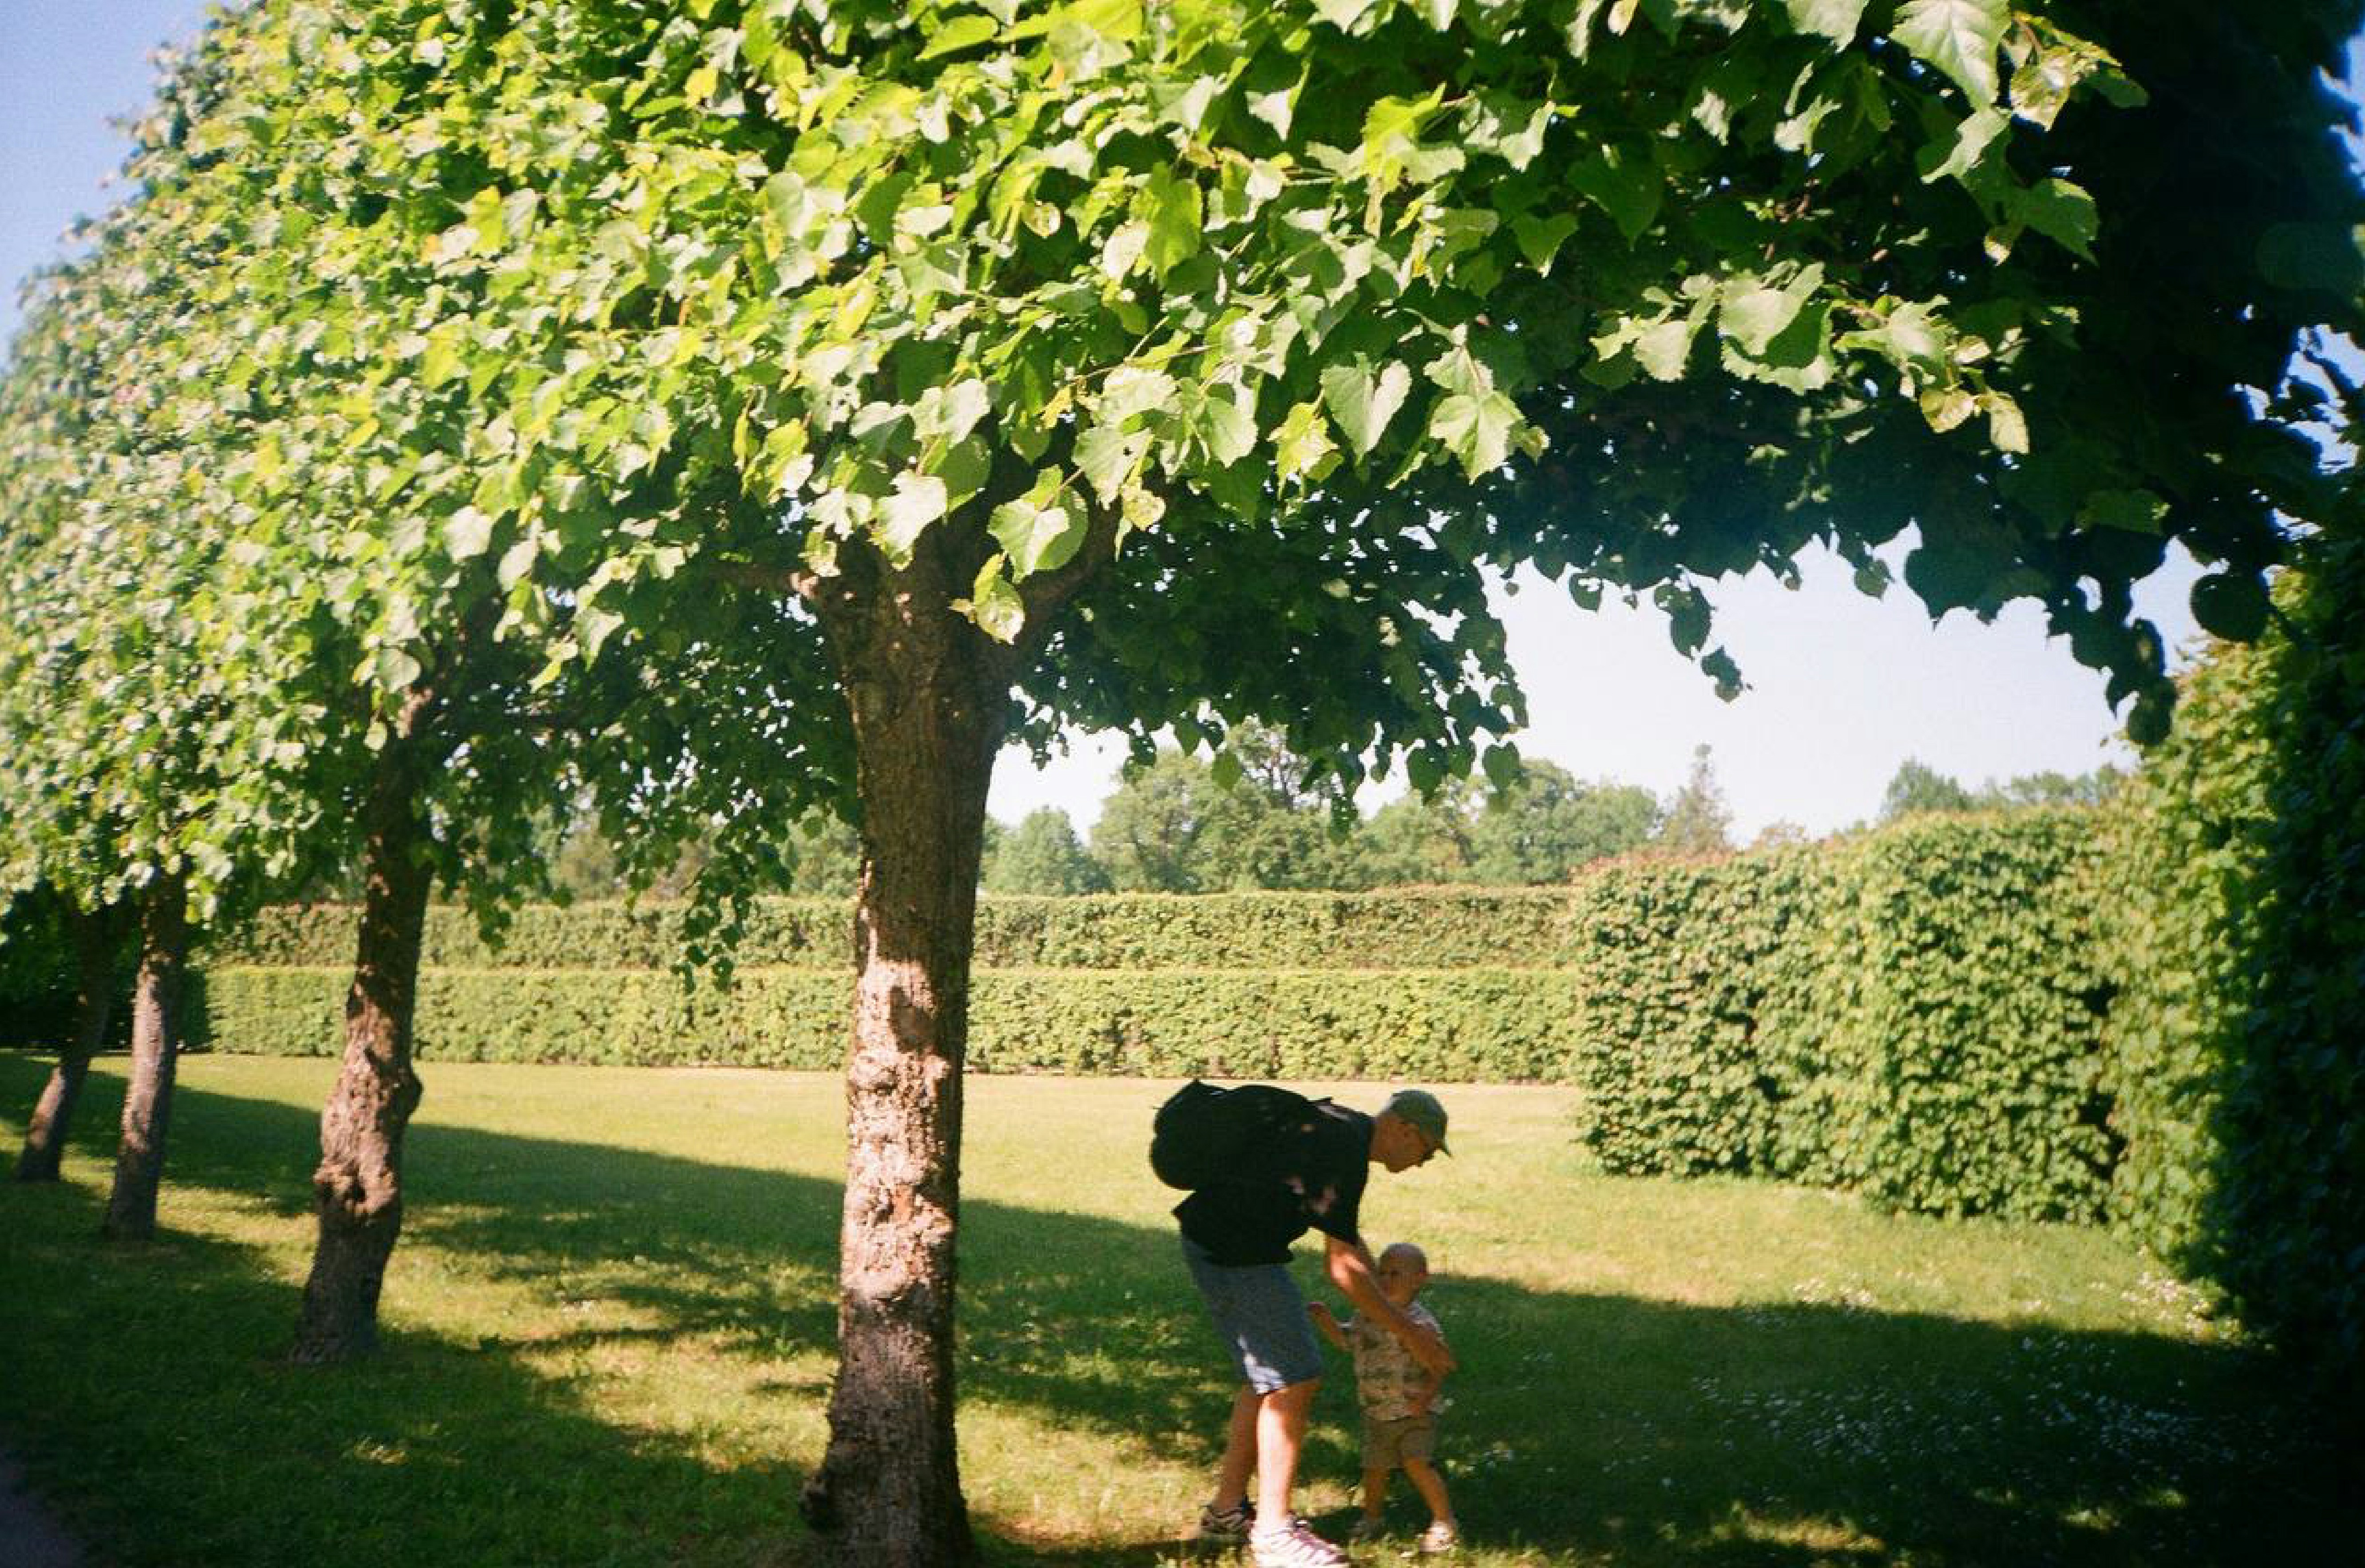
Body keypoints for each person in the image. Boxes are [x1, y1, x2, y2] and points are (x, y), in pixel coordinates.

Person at [1176, 1085, 1454, 1568]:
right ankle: (1273, 1534)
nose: (1424, 1162)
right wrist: (1413, 1336)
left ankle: (1226, 1513)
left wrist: (1403, 1320)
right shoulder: (1346, 1146)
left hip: (1219, 1239)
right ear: (1405, 1130)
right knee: (1296, 1375)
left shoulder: (1342, 1130)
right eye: (1427, 1150)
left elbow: (1347, 1245)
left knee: (1265, 1380)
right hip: (1235, 1251)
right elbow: (1343, 1271)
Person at [1309, 1241, 1461, 1555]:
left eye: (1396, 1273)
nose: (1386, 1280)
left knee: (1417, 1463)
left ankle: (1444, 1521)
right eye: (1381, 1273)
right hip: (1377, 1411)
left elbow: (1441, 1366)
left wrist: (1424, 1400)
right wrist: (1326, 1321)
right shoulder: (1367, 1315)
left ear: (1420, 1278)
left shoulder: (1421, 1324)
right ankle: (1371, 1517)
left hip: (1415, 1412)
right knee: (1374, 1469)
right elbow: (1346, 1340)